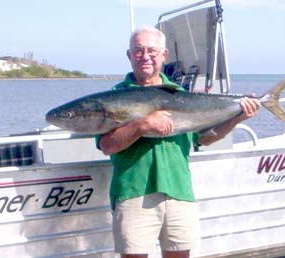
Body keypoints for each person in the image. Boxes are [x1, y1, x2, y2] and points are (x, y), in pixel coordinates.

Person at [96, 26, 260, 258]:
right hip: (134, 192)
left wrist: (239, 117)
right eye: (139, 51)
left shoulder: (181, 94)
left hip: (179, 190)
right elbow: (107, 146)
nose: (145, 56)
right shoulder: (113, 97)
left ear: (163, 55)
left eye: (151, 51)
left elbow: (204, 138)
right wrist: (143, 125)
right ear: (129, 55)